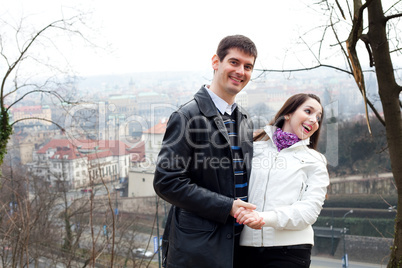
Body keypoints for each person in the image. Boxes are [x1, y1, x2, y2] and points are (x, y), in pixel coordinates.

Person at [153, 35, 260, 268]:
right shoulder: (187, 117)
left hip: (237, 246)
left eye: (248, 66)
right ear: (215, 62)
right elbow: (167, 181)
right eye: (234, 62)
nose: (241, 71)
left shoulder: (244, 120)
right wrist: (227, 207)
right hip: (197, 250)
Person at [234, 93, 330, 268]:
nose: (314, 120)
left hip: (291, 251)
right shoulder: (253, 149)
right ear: (288, 113)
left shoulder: (316, 161)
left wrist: (264, 218)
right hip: (244, 249)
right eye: (308, 111)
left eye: (318, 118)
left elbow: (309, 211)